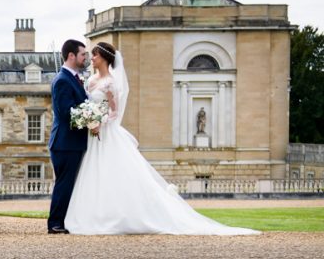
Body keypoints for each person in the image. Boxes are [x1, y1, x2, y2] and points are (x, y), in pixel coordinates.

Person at [65, 42, 258, 236]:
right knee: (95, 174)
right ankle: (97, 215)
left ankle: (119, 217)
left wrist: (99, 121)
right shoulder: (90, 81)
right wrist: (89, 119)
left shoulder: (110, 83)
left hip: (106, 133)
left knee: (111, 173)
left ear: (104, 58)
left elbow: (114, 113)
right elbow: (87, 105)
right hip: (93, 136)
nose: (92, 59)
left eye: (95, 56)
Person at [47, 39, 89, 234]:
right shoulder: (63, 79)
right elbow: (67, 113)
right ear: (71, 55)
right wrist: (91, 120)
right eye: (83, 54)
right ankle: (55, 223)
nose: (86, 58)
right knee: (64, 184)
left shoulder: (73, 78)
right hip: (65, 142)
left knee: (68, 183)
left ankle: (63, 221)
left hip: (72, 142)